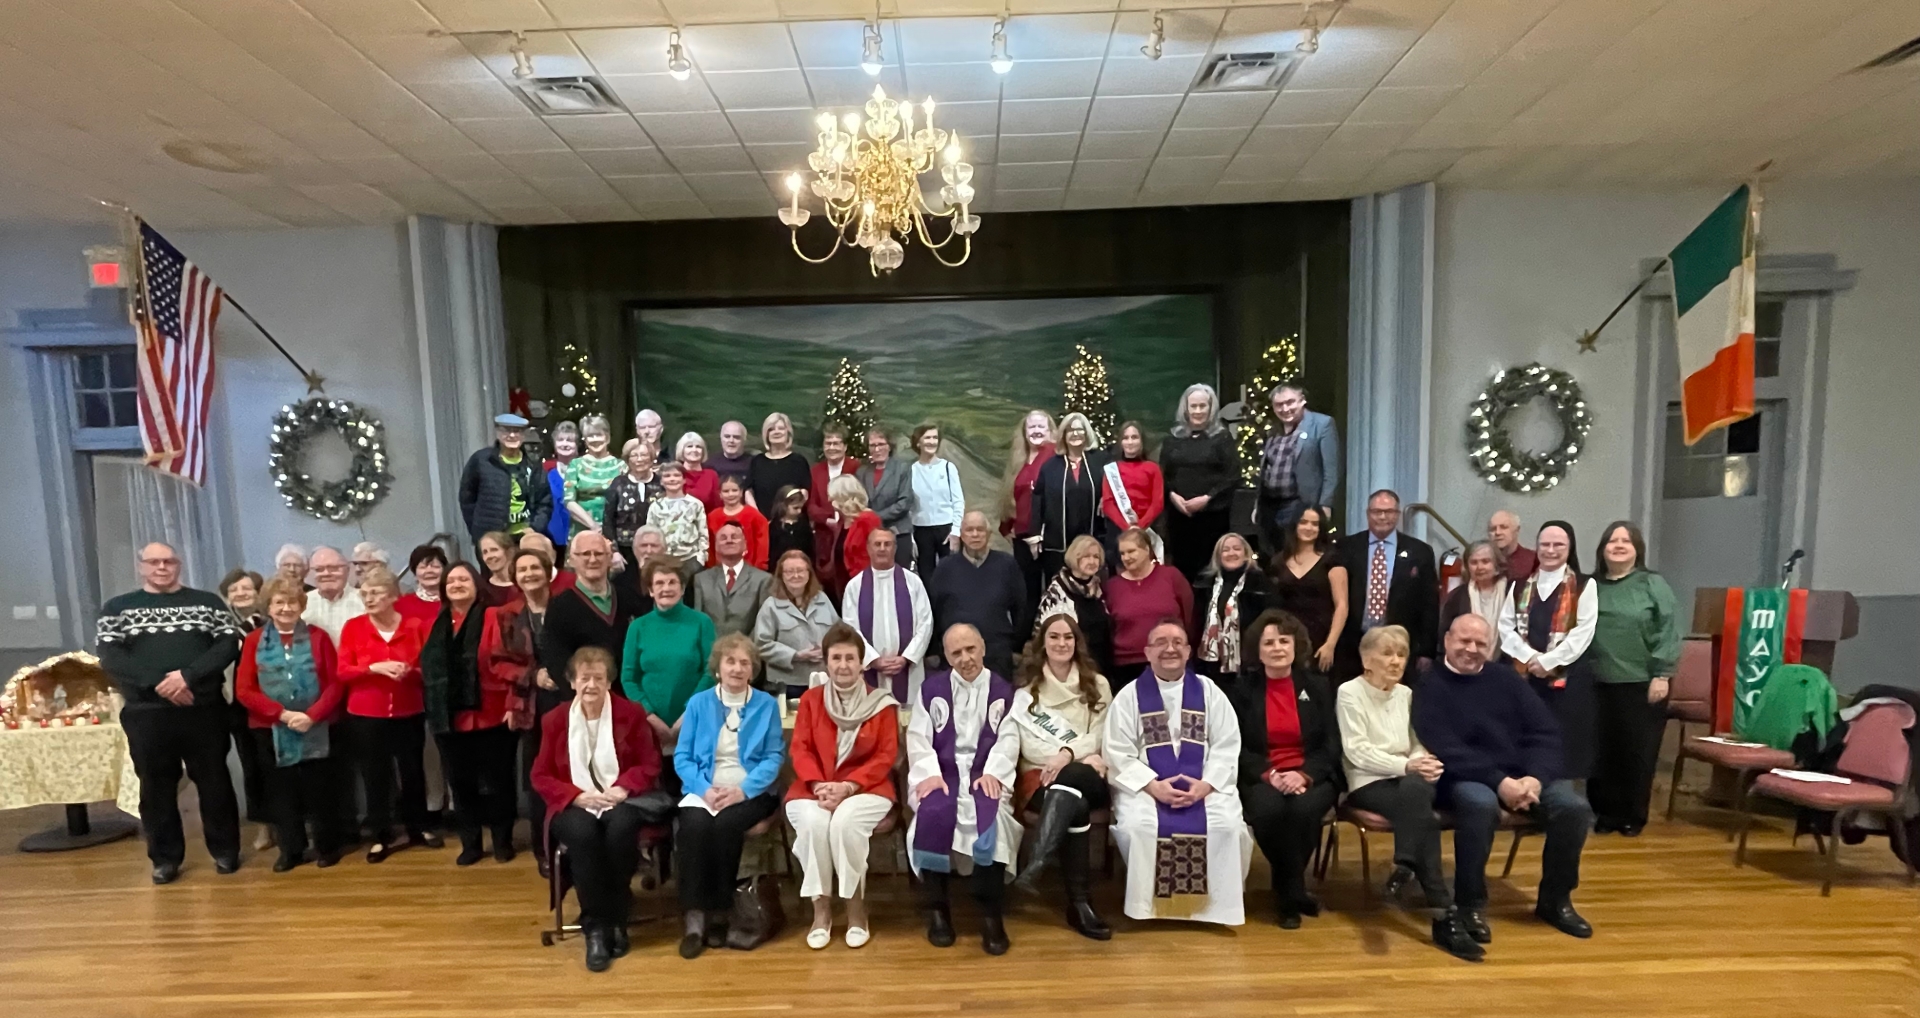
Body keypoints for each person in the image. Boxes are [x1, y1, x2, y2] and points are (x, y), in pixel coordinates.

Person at [1414, 614, 1594, 943]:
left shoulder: (1506, 679)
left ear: (1491, 647)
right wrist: (1500, 781)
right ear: (1447, 641)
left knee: (1573, 808)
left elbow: (1545, 732)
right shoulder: (1429, 684)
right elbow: (1443, 746)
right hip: (1463, 775)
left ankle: (1555, 901)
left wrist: (1535, 778)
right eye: (1464, 641)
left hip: (1523, 775)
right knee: (1479, 805)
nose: (1471, 649)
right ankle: (1469, 905)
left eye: (1480, 643)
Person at [97, 542, 244, 883]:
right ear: (141, 566)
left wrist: (187, 677)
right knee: (156, 789)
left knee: (215, 782)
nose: (162, 567)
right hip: (147, 712)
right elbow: (111, 656)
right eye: (154, 562)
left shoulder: (207, 603)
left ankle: (225, 851)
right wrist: (160, 684)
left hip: (202, 709)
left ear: (179, 565)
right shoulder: (118, 608)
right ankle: (165, 859)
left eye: (168, 561)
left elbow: (227, 645)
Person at [1334, 624, 1482, 960]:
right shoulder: (1349, 692)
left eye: (1401, 654)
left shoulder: (1406, 694)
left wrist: (1421, 762)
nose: (1396, 661)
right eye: (1387, 653)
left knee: (1417, 791)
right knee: (1423, 818)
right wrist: (1407, 765)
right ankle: (1443, 913)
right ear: (1366, 660)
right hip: (1368, 782)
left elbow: (1417, 742)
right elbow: (1357, 751)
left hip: (1408, 780)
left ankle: (1409, 864)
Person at [531, 646, 676, 973]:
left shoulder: (631, 713)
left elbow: (649, 763)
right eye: (584, 678)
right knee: (583, 834)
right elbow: (540, 775)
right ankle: (598, 927)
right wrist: (576, 796)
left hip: (621, 798)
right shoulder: (555, 720)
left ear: (609, 682)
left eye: (599, 678)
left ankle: (615, 918)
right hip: (574, 802)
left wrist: (622, 788)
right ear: (572, 682)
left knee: (621, 827)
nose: (591, 685)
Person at [1104, 620, 1251, 925]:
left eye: (1177, 642)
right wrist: (1152, 786)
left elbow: (1226, 745)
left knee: (1226, 826)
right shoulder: (1129, 697)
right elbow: (1117, 753)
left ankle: (1214, 909)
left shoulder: (1210, 693)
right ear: (1147, 652)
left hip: (1204, 785)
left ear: (1188, 651)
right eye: (1160, 642)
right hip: (1147, 788)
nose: (1169, 649)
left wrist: (1206, 785)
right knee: (1141, 827)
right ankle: (1151, 908)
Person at [906, 625, 1021, 955]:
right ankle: (938, 910)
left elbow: (1009, 738)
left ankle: (990, 914)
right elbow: (918, 737)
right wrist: (929, 774)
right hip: (942, 774)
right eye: (956, 653)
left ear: (982, 647)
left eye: (970, 649)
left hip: (985, 772)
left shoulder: (1004, 692)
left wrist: (994, 772)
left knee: (994, 822)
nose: (965, 658)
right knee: (931, 814)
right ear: (946, 656)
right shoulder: (931, 690)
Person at [786, 623, 901, 950]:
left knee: (845, 824)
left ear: (862, 663)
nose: (843, 665)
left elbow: (885, 755)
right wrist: (820, 785)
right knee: (814, 824)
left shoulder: (882, 703)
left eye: (850, 658)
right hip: (815, 787)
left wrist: (849, 787)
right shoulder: (811, 700)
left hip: (867, 788)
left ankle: (855, 910)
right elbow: (800, 749)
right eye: (836, 658)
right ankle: (820, 911)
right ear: (826, 662)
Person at [673, 634, 785, 958]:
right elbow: (683, 757)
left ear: (753, 670)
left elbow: (773, 757)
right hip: (705, 789)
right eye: (730, 661)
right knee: (693, 827)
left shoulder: (766, 705)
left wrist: (741, 791)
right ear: (718, 667)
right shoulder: (699, 704)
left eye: (744, 663)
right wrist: (704, 789)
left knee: (725, 827)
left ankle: (722, 913)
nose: (737, 668)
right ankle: (695, 920)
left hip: (751, 791)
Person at [535, 532, 642, 869]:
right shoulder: (561, 605)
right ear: (572, 560)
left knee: (623, 815)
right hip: (585, 708)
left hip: (627, 710)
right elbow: (557, 660)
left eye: (599, 553)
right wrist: (586, 704)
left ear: (610, 557)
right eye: (585, 555)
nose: (593, 560)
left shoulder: (630, 598)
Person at [1228, 609, 1340, 928]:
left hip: (1311, 773)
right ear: (1258, 650)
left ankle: (1286, 892)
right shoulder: (1242, 690)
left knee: (1304, 810)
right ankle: (1293, 889)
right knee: (1268, 810)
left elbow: (1330, 744)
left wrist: (1303, 774)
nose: (1277, 648)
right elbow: (1236, 746)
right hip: (1263, 774)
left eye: (1283, 641)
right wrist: (1271, 775)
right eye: (1269, 643)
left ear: (1295, 645)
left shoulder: (1318, 687)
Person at [1007, 614, 1112, 940]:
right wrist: (1079, 754)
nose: (1062, 643)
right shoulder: (1027, 690)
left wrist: (1066, 754)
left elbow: (1101, 735)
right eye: (1054, 636)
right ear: (1043, 643)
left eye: (1068, 637)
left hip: (1088, 775)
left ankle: (1038, 860)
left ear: (1077, 642)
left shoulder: (1098, 685)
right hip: (1041, 779)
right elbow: (1029, 745)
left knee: (1075, 776)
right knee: (1073, 801)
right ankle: (1079, 904)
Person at [234, 576, 347, 872]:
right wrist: (281, 714)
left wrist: (312, 715)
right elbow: (244, 689)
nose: (286, 608)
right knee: (281, 792)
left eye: (292, 602)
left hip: (316, 725)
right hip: (270, 729)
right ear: (269, 607)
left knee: (320, 790)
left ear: (301, 605)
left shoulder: (319, 637)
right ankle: (291, 850)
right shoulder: (254, 640)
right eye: (279, 602)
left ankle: (327, 847)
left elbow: (335, 683)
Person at [335, 564, 441, 863]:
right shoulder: (354, 627)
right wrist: (373, 668)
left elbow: (429, 669)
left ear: (394, 596)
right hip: (366, 715)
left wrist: (409, 671)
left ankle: (419, 827)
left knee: (412, 772)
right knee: (375, 776)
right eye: (365, 593)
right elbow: (343, 671)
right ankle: (380, 836)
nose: (368, 598)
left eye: (376, 593)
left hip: (409, 710)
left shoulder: (416, 626)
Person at [422, 561, 521, 866]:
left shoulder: (495, 616)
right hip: (449, 720)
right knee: (461, 785)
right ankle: (471, 844)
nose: (456, 585)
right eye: (451, 581)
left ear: (478, 585)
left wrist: (512, 704)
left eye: (463, 579)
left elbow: (513, 661)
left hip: (493, 714)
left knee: (499, 783)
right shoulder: (435, 623)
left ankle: (502, 841)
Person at [1586, 521, 1681, 837]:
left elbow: (1669, 629)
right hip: (1597, 681)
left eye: (1625, 541)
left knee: (1636, 753)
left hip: (1642, 681)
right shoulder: (1591, 586)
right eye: (1612, 541)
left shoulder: (1652, 583)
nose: (1618, 546)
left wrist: (1662, 674)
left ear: (1636, 549)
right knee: (1601, 752)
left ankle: (1632, 816)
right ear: (1602, 549)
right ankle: (1604, 813)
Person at [1496, 520, 1598, 780]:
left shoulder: (1585, 585)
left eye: (1558, 545)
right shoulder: (1518, 585)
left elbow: (1584, 631)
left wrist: (1550, 661)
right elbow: (1505, 627)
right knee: (1523, 740)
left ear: (1570, 548)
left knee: (1561, 746)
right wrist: (1531, 658)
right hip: (1524, 678)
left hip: (1565, 682)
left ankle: (1559, 796)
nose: (1551, 550)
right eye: (1545, 544)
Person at [1333, 489, 1438, 680]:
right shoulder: (1346, 547)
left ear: (1397, 514)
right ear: (1368, 514)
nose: (1382, 517)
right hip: (1352, 645)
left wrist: (1426, 650)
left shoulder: (1420, 551)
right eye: (1377, 511)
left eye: (1389, 512)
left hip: (1399, 645)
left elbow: (1429, 604)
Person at [622, 557, 716, 749]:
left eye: (672, 582)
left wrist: (689, 713)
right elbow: (629, 678)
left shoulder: (702, 622)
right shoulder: (638, 627)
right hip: (648, 726)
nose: (666, 588)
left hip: (695, 720)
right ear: (651, 590)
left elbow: (711, 671)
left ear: (682, 589)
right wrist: (650, 717)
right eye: (659, 583)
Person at [929, 510, 1026, 678]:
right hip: (956, 654)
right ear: (961, 534)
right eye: (969, 530)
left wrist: (1017, 648)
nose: (975, 535)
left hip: (997, 653)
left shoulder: (1007, 565)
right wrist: (934, 651)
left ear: (988, 534)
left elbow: (1021, 608)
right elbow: (933, 610)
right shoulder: (945, 568)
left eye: (980, 530)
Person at [840, 528, 934, 702]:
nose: (882, 549)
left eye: (887, 544)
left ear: (895, 548)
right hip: (870, 670)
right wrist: (873, 659)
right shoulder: (855, 586)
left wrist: (906, 657)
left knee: (908, 715)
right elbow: (851, 629)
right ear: (868, 548)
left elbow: (926, 623)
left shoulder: (913, 582)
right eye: (877, 544)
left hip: (908, 670)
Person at [1160, 384, 1239, 582]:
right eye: (1193, 406)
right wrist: (1173, 496)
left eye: (1202, 406)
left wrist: (1207, 498)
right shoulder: (1173, 439)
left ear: (1211, 408)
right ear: (1185, 408)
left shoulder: (1222, 438)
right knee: (1182, 570)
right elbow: (1163, 474)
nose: (1197, 411)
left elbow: (1232, 475)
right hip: (1179, 517)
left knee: (1209, 572)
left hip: (1212, 517)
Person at [1253, 381, 1340, 556]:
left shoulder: (1322, 424)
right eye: (1279, 405)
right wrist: (1257, 506)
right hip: (1269, 507)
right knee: (1272, 557)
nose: (1285, 409)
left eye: (1290, 402)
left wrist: (1325, 505)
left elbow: (1331, 470)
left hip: (1300, 504)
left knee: (1296, 554)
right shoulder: (1273, 429)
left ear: (1302, 400)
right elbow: (1266, 469)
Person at [219, 569, 273, 849]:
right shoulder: (221, 628)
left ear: (258, 592)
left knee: (279, 766)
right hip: (238, 705)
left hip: (274, 703)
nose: (241, 593)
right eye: (234, 590)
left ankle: (292, 824)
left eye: (247, 588)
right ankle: (264, 826)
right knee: (252, 768)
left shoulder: (272, 620)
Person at [1104, 527, 1193, 686]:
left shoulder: (1171, 576)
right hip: (1127, 666)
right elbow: (1108, 627)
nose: (1126, 557)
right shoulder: (1112, 586)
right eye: (1122, 553)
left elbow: (1190, 617)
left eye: (1131, 551)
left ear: (1146, 550)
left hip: (1170, 659)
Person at [1269, 505, 1348, 673]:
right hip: (1287, 640)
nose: (1309, 528)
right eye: (1303, 522)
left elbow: (1342, 605)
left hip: (1321, 642)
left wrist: (1330, 644)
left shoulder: (1332, 560)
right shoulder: (1278, 562)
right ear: (1295, 525)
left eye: (1315, 524)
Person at [754, 550, 840, 697]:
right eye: (789, 572)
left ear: (809, 573)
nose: (795, 576)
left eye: (800, 570)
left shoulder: (822, 599)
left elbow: (838, 631)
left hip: (824, 679)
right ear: (781, 575)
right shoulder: (771, 606)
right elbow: (762, 645)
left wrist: (828, 648)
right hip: (787, 684)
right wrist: (795, 655)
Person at [1001, 411, 1056, 633]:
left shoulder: (1054, 456)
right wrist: (1007, 525)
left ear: (1050, 430)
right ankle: (1022, 639)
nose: (1036, 431)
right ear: (1024, 432)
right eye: (1031, 427)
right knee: (1026, 591)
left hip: (1047, 535)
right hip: (1022, 536)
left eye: (1041, 426)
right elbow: (1011, 495)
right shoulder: (1019, 460)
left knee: (1052, 588)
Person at [458, 412, 552, 543]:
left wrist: (535, 528)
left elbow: (545, 500)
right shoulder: (482, 460)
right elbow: (467, 497)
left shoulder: (533, 462)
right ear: (497, 432)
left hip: (525, 536)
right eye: (506, 430)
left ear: (524, 435)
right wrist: (478, 530)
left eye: (517, 431)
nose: (512, 435)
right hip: (491, 538)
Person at [1034, 412, 1106, 584]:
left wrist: (1106, 498)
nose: (1075, 434)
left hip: (1093, 538)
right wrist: (1035, 534)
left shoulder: (1100, 462)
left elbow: (1114, 486)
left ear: (1087, 433)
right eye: (1070, 430)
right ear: (1063, 435)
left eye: (1080, 429)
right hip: (1058, 543)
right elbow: (1038, 500)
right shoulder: (1050, 467)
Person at [1033, 535, 1115, 681]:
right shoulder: (1057, 591)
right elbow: (1041, 636)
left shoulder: (1099, 588)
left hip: (1103, 665)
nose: (1092, 561)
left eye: (1096, 557)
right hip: (1072, 669)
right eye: (1086, 556)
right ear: (1074, 558)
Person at [1194, 531, 1270, 680]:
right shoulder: (1204, 585)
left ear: (1246, 553)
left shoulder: (1261, 584)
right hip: (1212, 666)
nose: (1231, 553)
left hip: (1249, 665)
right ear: (1218, 556)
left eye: (1237, 548)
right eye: (1225, 550)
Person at [907, 422, 966, 584]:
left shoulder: (948, 468)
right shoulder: (911, 471)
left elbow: (958, 501)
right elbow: (908, 507)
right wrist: (911, 538)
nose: (932, 442)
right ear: (918, 442)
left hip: (946, 529)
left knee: (951, 576)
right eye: (927, 438)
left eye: (935, 438)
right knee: (926, 577)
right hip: (921, 531)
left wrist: (956, 531)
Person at [691, 521, 772, 638]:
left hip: (748, 647)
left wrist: (744, 646)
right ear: (716, 546)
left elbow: (764, 623)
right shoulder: (701, 579)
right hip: (711, 646)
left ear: (745, 545)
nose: (729, 541)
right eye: (723, 538)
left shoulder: (763, 580)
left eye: (734, 537)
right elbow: (698, 620)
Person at [1101, 421, 1164, 562]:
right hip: (1119, 531)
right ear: (1120, 442)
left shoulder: (1153, 468)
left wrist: (1139, 527)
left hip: (1148, 529)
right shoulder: (1112, 470)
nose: (1130, 442)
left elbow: (1157, 503)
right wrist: (1127, 528)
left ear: (1141, 441)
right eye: (1126, 438)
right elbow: (1108, 503)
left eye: (1134, 437)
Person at [860, 427, 917, 570]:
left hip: (898, 533)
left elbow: (904, 502)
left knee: (899, 577)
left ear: (889, 446)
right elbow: (859, 501)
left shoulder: (902, 468)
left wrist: (875, 517)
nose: (877, 449)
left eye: (881, 444)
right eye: (872, 445)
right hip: (872, 535)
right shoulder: (862, 472)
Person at [807, 424, 863, 555]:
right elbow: (811, 505)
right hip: (824, 535)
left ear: (845, 446)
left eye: (836, 443)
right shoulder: (815, 471)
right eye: (828, 443)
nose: (832, 448)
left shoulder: (857, 468)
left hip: (853, 532)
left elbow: (862, 500)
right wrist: (827, 520)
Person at [563, 415, 623, 536]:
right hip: (583, 530)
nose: (595, 439)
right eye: (590, 436)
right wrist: (593, 525)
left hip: (615, 530)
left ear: (607, 437)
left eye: (599, 435)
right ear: (585, 440)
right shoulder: (576, 464)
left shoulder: (620, 466)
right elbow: (569, 500)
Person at [1440, 540, 1509, 641]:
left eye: (1485, 561)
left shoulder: (1512, 592)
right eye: (1474, 562)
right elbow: (1445, 635)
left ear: (1497, 564)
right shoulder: (1456, 597)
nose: (1479, 567)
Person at [825, 475, 884, 592]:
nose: (829, 500)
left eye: (832, 496)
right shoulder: (842, 522)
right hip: (844, 585)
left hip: (865, 585)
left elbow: (877, 555)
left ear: (843, 496)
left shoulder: (868, 519)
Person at [745, 411, 811, 515]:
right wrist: (758, 516)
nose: (776, 432)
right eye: (771, 429)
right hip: (762, 520)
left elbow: (805, 492)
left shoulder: (799, 461)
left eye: (781, 428)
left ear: (788, 433)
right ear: (766, 434)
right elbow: (748, 491)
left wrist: (787, 516)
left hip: (792, 519)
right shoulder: (757, 461)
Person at [647, 461, 709, 566]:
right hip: (664, 559)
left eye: (676, 475)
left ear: (684, 480)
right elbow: (651, 534)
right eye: (667, 476)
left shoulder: (695, 504)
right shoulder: (655, 507)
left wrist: (701, 558)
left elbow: (703, 533)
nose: (672, 479)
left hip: (690, 558)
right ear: (661, 481)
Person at [300, 546, 365, 643]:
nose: (326, 573)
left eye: (334, 568)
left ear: (347, 570)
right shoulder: (302, 602)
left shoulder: (365, 600)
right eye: (319, 569)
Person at [706, 474, 768, 570]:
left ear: (741, 492)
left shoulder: (754, 516)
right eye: (726, 491)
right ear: (720, 494)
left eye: (734, 490)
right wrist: (711, 567)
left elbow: (762, 544)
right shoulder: (712, 517)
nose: (730, 494)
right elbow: (710, 545)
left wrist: (759, 567)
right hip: (720, 569)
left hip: (749, 569)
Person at [542, 420, 578, 555]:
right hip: (552, 537)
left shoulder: (586, 470)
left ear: (577, 444)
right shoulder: (545, 471)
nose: (565, 444)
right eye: (560, 440)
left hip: (580, 534)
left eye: (570, 440)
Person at [396, 544, 449, 630]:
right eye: (422, 567)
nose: (429, 571)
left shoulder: (457, 601)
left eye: (435, 566)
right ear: (415, 573)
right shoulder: (401, 604)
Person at [766, 485, 814, 569]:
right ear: (783, 505)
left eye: (801, 508)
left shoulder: (804, 525)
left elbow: (810, 550)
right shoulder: (774, 527)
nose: (799, 511)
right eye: (795, 508)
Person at [675, 431, 722, 510]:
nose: (694, 450)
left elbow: (718, 505)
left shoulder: (711, 475)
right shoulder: (675, 474)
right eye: (689, 446)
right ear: (681, 450)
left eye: (698, 447)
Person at [1490, 509, 1537, 581]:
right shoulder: (1480, 562)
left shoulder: (1533, 561)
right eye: (1493, 529)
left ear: (1517, 530)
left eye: (1504, 527)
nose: (1497, 532)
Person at [476, 531, 519, 605]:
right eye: (485, 552)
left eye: (494, 550)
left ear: (510, 552)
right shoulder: (482, 589)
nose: (489, 556)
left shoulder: (523, 583)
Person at [712, 420, 752, 485]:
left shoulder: (754, 464)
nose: (731, 440)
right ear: (721, 438)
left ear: (745, 440)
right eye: (727, 436)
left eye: (736, 437)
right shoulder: (710, 465)